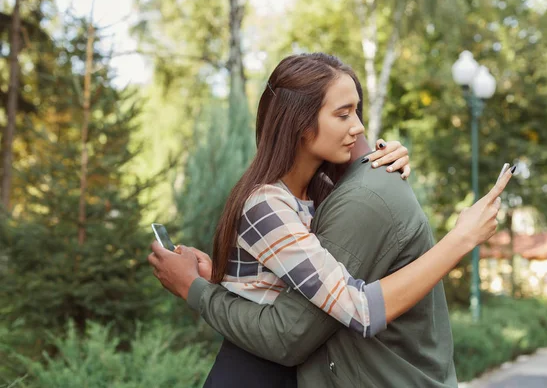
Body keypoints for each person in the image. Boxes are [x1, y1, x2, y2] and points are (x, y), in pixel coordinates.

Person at [148, 53, 514, 387]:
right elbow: (360, 310)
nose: (357, 127)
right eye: (342, 114)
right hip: (254, 373)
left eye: (357, 111)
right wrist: (461, 239)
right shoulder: (266, 203)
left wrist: (378, 157)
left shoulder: (316, 191)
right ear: (299, 124)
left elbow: (269, 283)